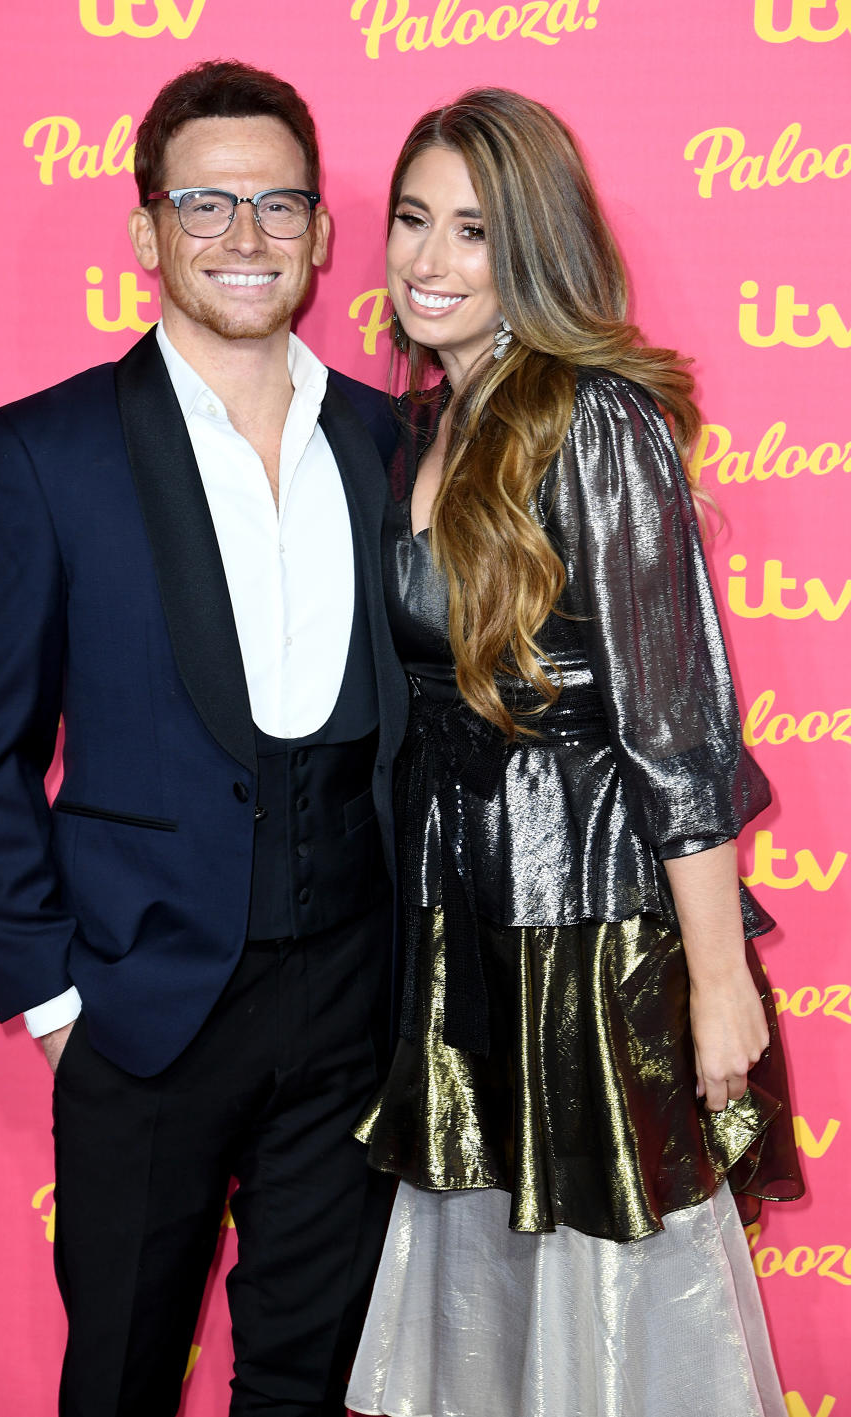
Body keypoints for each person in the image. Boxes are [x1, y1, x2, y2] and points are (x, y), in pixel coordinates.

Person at [0, 60, 407, 1417]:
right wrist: (55, 1005)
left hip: (355, 1009)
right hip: (141, 1014)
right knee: (122, 1379)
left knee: (308, 1381)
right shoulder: (45, 453)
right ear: (147, 233)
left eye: (277, 203)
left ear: (323, 233)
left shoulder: (394, 443)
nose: (245, 237)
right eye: (206, 203)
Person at [344, 89, 803, 1417]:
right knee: (494, 1298)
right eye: (412, 221)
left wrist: (720, 985)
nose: (428, 261)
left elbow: (677, 724)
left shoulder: (594, 420)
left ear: (533, 250)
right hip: (464, 927)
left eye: (474, 231)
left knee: (611, 1302)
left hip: (586, 930)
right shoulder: (430, 424)